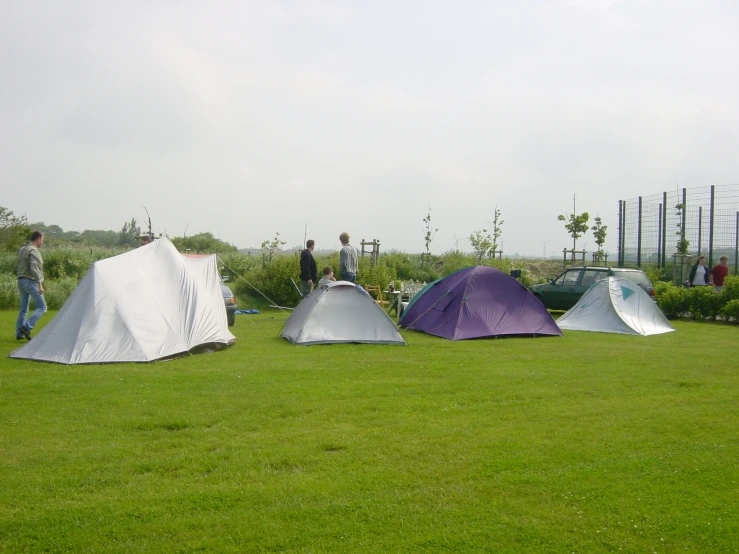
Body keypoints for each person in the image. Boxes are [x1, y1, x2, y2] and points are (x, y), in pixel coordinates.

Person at [16, 231, 47, 341]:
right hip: (30, 281)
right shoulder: (33, 251)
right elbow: (34, 268)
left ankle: (19, 334)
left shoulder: (22, 249)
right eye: (42, 240)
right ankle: (27, 327)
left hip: (21, 280)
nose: (42, 242)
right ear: (38, 239)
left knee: (23, 309)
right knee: (42, 307)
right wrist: (40, 284)